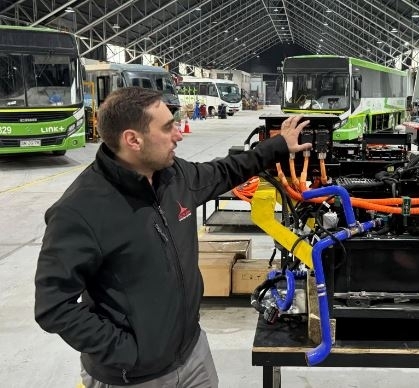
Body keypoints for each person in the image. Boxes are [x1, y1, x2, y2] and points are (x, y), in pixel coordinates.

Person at [34, 87, 312, 387]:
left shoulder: (173, 176)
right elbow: (54, 305)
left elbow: (223, 171)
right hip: (134, 377)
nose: (179, 135)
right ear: (133, 140)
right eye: (167, 128)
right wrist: (129, 353)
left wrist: (277, 146)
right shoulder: (80, 210)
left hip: (193, 354)